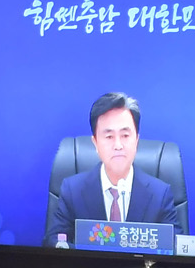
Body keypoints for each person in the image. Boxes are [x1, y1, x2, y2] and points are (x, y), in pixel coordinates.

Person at [47, 92, 182, 247]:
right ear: (95, 143)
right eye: (109, 137)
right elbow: (54, 241)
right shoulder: (73, 190)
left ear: (136, 140)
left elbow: (175, 248)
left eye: (125, 135)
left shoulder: (160, 195)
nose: (118, 145)